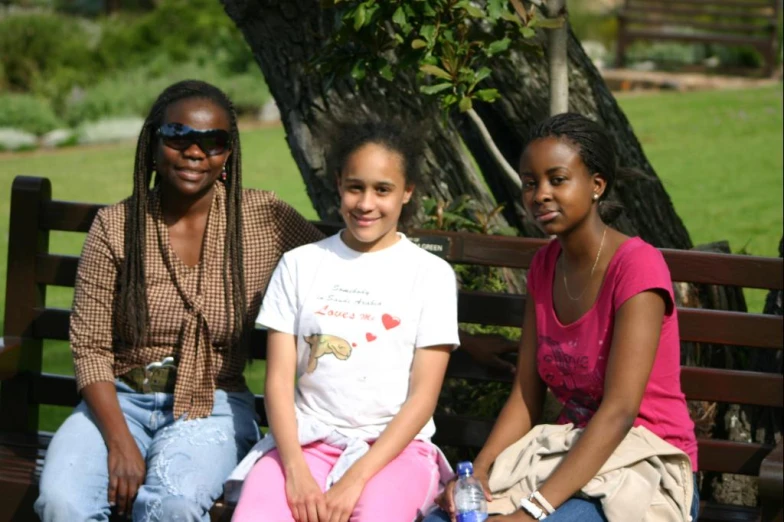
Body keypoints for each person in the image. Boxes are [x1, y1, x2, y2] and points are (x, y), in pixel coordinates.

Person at [34, 80, 324, 522]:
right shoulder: (116, 226)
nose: (195, 151)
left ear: (228, 155)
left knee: (173, 504)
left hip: (213, 403)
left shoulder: (263, 218)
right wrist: (119, 442)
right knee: (62, 501)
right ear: (153, 143)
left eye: (214, 142)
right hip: (120, 400)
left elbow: (335, 266)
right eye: (179, 136)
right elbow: (89, 347)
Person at [425, 113, 699, 522]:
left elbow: (620, 411)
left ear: (596, 185)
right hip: (566, 453)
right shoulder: (544, 265)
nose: (540, 195)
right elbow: (525, 393)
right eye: (530, 183)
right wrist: (479, 473)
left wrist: (531, 512)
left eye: (558, 179)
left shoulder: (637, 266)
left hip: (645, 464)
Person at [229, 119, 460, 522]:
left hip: (395, 451)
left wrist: (355, 479)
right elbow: (280, 383)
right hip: (305, 444)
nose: (366, 203)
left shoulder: (431, 274)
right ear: (338, 184)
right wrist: (296, 470)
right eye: (356, 187)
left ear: (407, 192)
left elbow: (423, 396)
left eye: (382, 189)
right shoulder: (300, 264)